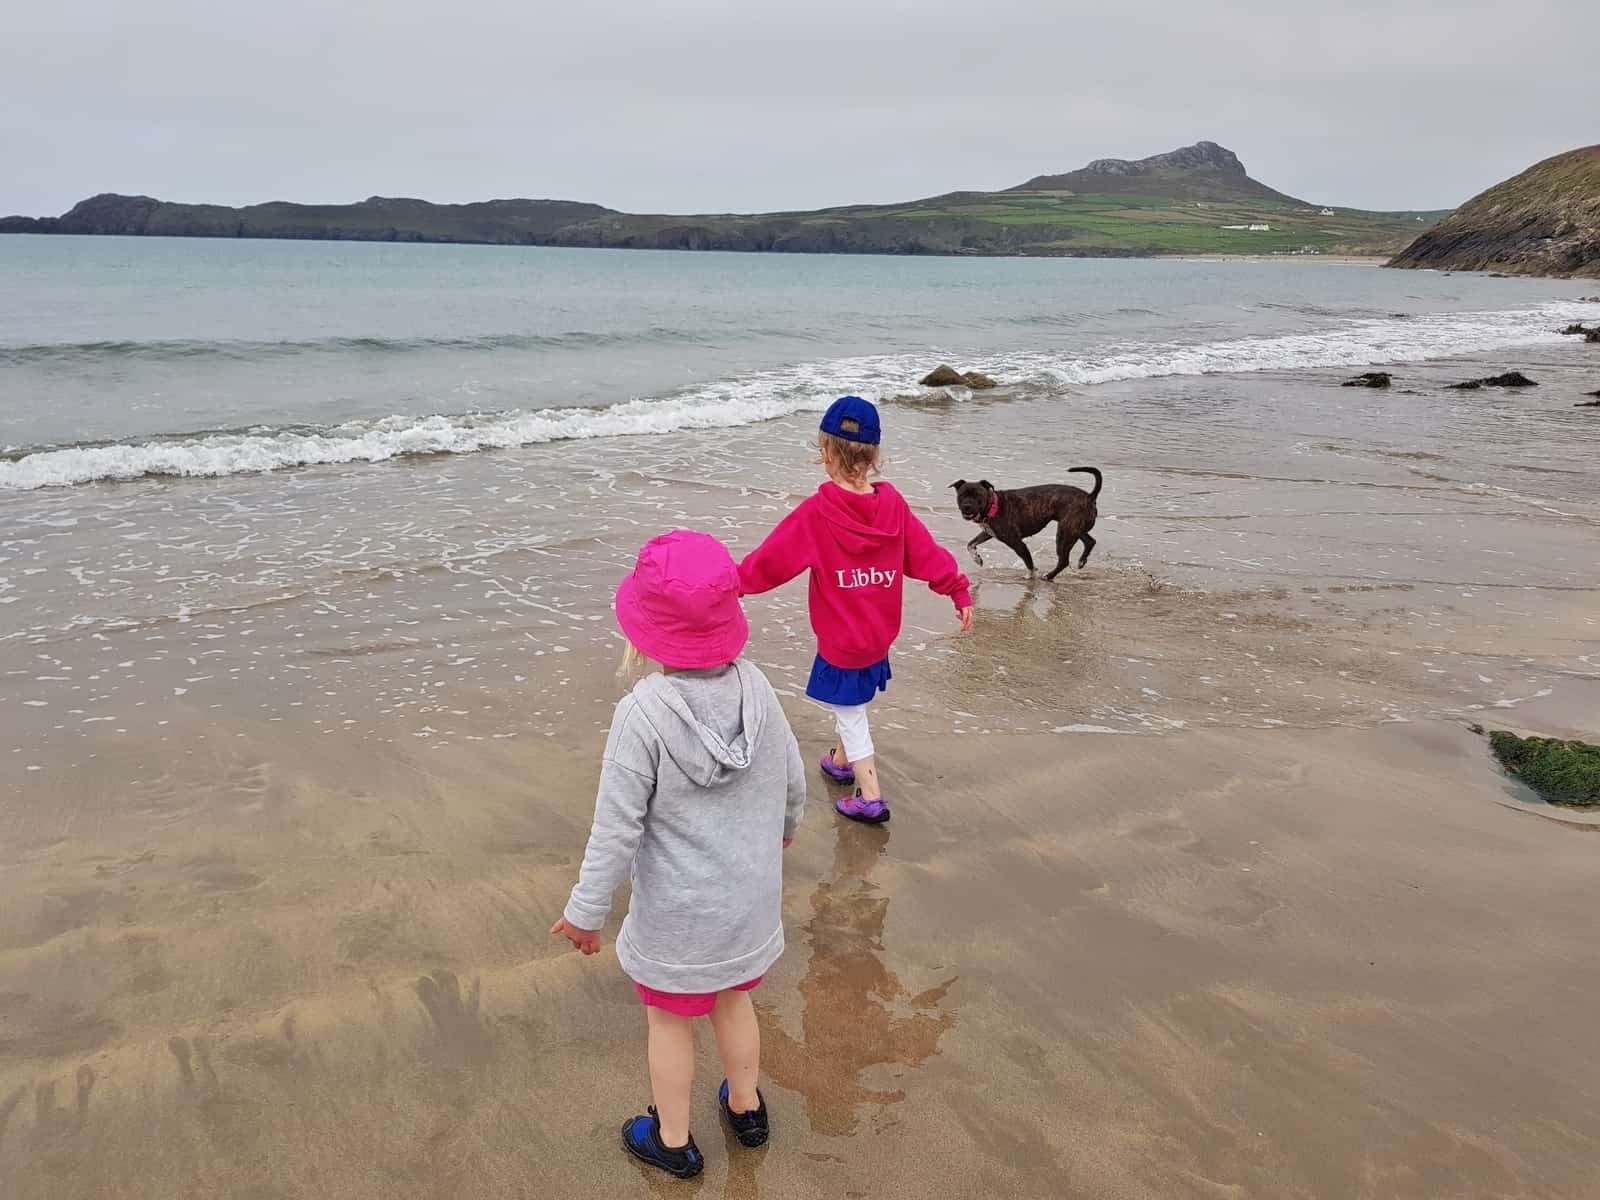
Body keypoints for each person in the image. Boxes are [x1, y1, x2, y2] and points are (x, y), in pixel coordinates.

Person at [550, 529, 806, 1181]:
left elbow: (616, 829)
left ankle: (672, 1141)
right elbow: (793, 778)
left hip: (679, 920)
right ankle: (746, 1109)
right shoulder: (758, 690)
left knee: (669, 1021)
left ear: (642, 629)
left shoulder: (642, 714)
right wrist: (784, 827)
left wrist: (585, 913)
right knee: (734, 1001)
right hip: (747, 904)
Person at [738, 395, 973, 825]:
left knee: (849, 714)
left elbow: (770, 561)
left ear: (825, 453)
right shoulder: (893, 507)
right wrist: (957, 589)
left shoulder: (817, 513)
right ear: (874, 457)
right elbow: (927, 555)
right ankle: (842, 763)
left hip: (843, 640)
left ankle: (870, 795)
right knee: (853, 702)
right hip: (879, 634)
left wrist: (732, 584)